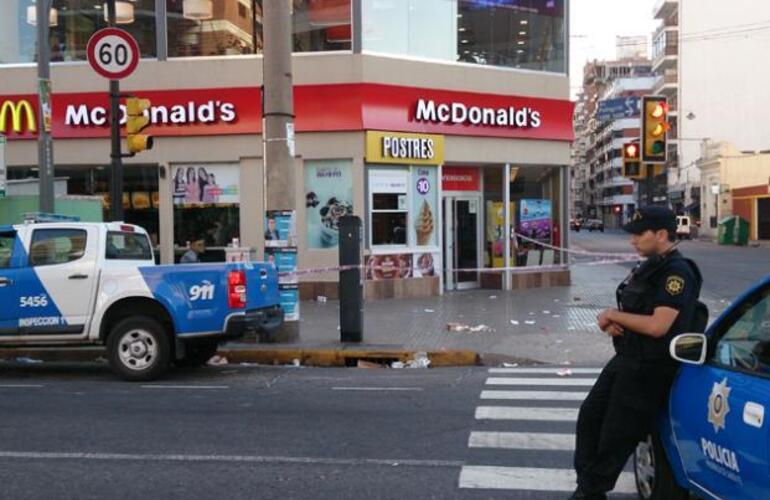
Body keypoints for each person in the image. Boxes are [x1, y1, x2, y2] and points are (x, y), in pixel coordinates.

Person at [570, 206, 703, 500]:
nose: (633, 240)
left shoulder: (676, 272)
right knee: (590, 417)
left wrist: (612, 316)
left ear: (661, 234)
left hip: (650, 368)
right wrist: (618, 321)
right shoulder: (649, 266)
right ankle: (587, 487)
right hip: (627, 358)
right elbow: (636, 313)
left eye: (639, 234)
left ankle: (590, 493)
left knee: (616, 435)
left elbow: (658, 325)